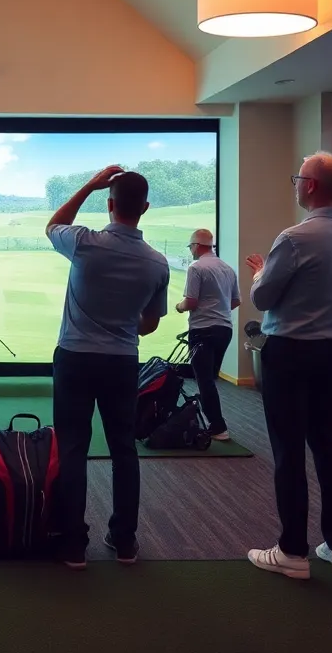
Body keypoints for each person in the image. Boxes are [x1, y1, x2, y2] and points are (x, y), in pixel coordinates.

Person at [244, 151, 332, 580]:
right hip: (331, 351)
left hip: (288, 352)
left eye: (297, 178)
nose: (295, 184)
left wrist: (262, 273)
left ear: (312, 186)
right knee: (327, 444)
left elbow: (263, 300)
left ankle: (293, 551)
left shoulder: (294, 238)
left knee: (288, 449)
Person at [46, 166, 170, 569]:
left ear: (110, 204)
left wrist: (88, 185)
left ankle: (72, 546)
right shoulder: (157, 263)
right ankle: (125, 541)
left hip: (75, 359)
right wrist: (120, 320)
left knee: (72, 450)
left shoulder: (85, 242)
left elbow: (53, 224)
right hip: (122, 361)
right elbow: (150, 323)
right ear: (145, 208)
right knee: (123, 450)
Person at [174, 228, 239, 441]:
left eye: (191, 247)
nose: (191, 251)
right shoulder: (227, 269)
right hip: (224, 329)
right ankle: (211, 420)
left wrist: (179, 306)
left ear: (196, 246)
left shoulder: (196, 267)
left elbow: (191, 301)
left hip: (203, 330)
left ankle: (218, 426)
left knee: (204, 380)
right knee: (210, 378)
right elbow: (235, 302)